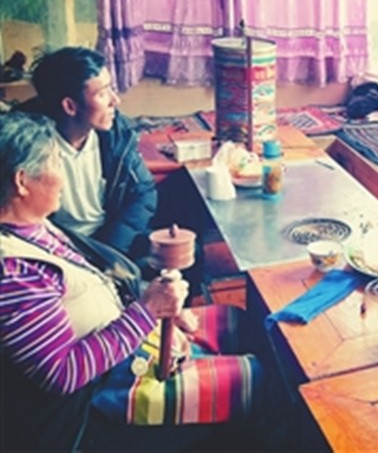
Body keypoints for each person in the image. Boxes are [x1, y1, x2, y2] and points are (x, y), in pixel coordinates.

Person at [0, 112, 272, 451]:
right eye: (56, 163)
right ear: (22, 181)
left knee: (239, 322)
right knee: (255, 379)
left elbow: (96, 284)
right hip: (98, 400)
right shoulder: (14, 273)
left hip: (123, 347)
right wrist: (148, 312)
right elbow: (62, 374)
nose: (63, 176)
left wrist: (159, 308)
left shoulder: (32, 226)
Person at [20, 47, 156, 263]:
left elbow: (143, 192)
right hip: (57, 248)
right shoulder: (26, 148)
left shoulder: (116, 134)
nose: (115, 101)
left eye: (111, 89)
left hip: (112, 239)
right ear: (70, 106)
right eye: (102, 93)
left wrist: (112, 250)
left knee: (180, 255)